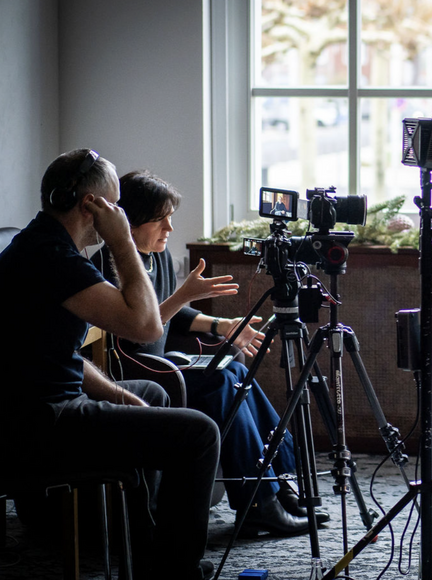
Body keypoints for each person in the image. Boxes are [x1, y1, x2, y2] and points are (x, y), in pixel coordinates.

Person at [0, 149, 221, 580]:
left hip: (38, 403)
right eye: (116, 205)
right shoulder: (53, 259)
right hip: (40, 421)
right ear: (91, 206)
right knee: (199, 434)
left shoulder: (42, 243)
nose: (120, 213)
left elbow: (53, 354)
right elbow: (145, 326)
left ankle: (143, 546)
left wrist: (119, 394)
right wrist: (122, 240)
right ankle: (171, 571)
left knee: (151, 393)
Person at [94, 169, 328, 536]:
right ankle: (258, 502)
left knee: (235, 372)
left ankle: (280, 483)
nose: (169, 228)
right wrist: (185, 295)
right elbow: (138, 331)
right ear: (131, 222)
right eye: (161, 220)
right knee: (222, 380)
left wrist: (223, 325)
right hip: (136, 373)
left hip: (163, 362)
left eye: (170, 218)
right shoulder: (108, 266)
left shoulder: (158, 255)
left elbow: (174, 313)